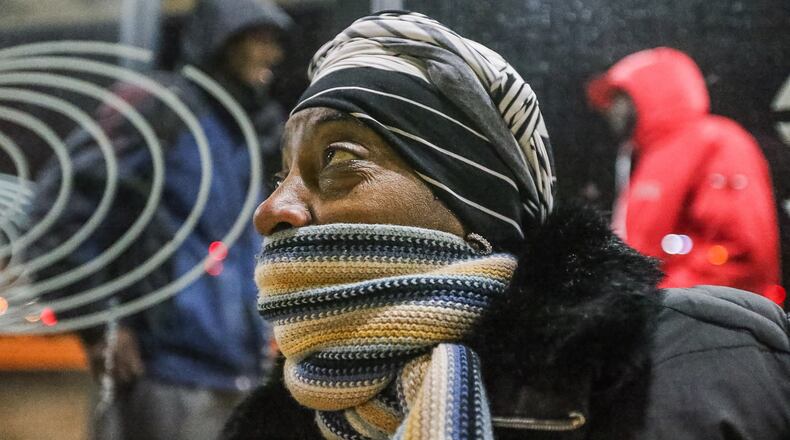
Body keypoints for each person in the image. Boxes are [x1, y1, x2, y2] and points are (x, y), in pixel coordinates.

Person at [222, 11, 790, 440]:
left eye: (339, 159)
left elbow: (738, 244)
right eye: (280, 174)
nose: (270, 209)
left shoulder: (701, 370)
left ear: (474, 198)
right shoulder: (277, 421)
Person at [27, 1, 292, 439]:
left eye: (274, 41)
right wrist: (98, 323)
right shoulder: (160, 111)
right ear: (222, 41)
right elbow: (59, 214)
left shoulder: (250, 130)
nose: (272, 54)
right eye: (257, 39)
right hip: (162, 373)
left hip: (238, 373)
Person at [586, 48, 783, 305]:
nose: (612, 110)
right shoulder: (649, 158)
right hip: (674, 317)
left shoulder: (716, 142)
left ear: (651, 92)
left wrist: (658, 299)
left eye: (621, 98)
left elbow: (740, 253)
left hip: (715, 319)